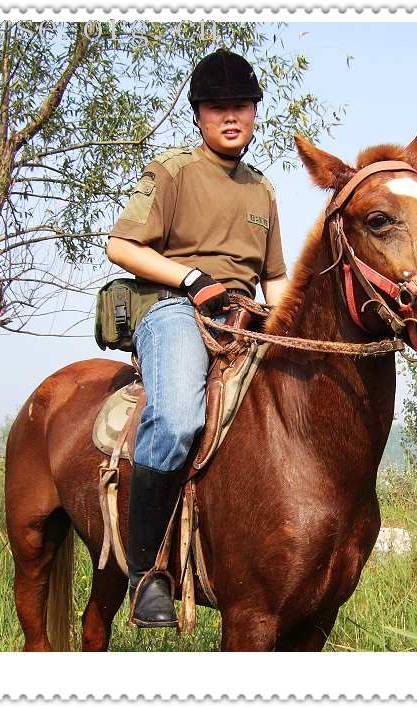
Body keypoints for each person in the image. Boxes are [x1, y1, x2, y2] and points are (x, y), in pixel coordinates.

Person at [105, 48, 289, 628]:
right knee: (181, 417)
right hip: (175, 308)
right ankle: (144, 575)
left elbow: (276, 276)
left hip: (246, 315)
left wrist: (286, 331)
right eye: (217, 108)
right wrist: (193, 279)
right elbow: (121, 246)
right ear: (199, 115)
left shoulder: (263, 191)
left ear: (255, 113)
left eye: (241, 105)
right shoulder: (173, 171)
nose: (230, 117)